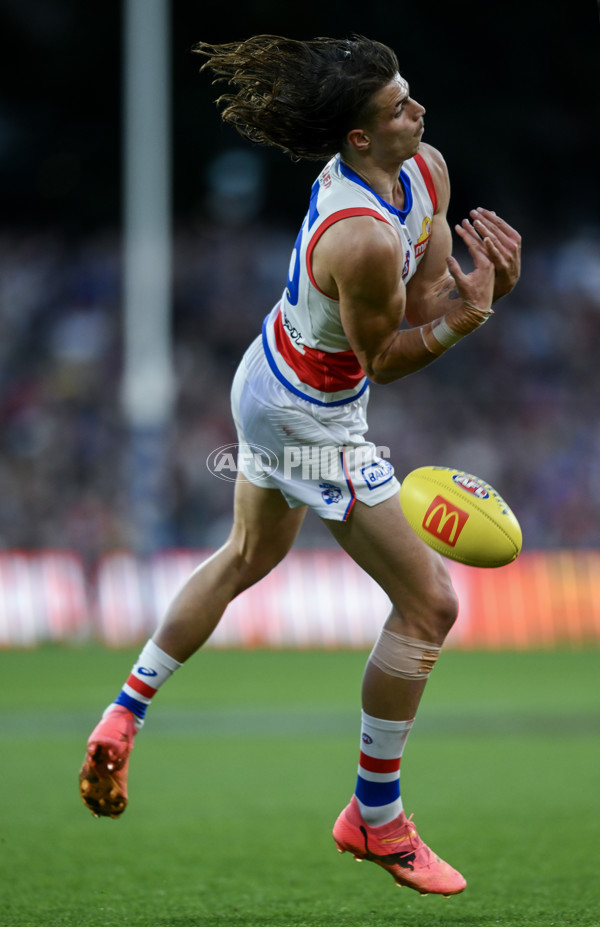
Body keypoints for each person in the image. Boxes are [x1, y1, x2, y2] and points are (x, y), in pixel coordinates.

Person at [79, 35, 521, 897]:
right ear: (358, 138)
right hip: (309, 413)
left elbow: (422, 296)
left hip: (274, 368)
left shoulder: (423, 169)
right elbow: (386, 355)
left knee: (250, 555)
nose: (416, 111)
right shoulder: (355, 235)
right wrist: (471, 318)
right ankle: (375, 814)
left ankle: (124, 710)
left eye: (409, 94)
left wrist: (471, 289)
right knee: (430, 605)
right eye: (396, 107)